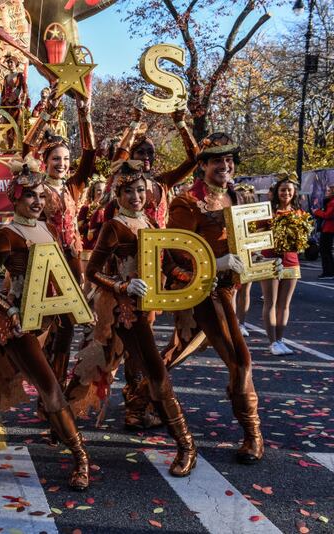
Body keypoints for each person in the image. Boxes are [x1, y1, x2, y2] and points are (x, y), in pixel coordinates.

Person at [0, 156, 90, 491]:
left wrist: (78, 306)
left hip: (42, 321)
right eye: (30, 195)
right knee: (49, 387)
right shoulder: (6, 234)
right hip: (13, 325)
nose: (37, 201)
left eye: (41, 196)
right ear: (14, 197)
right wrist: (10, 310)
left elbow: (56, 280)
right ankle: (81, 458)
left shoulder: (47, 228)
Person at [65, 160, 196, 478]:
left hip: (139, 314)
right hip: (119, 312)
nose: (136, 196)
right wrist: (122, 285)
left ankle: (185, 445)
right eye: (129, 191)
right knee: (91, 367)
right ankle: (63, 427)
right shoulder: (114, 226)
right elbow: (94, 271)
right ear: (118, 194)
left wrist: (192, 276)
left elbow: (164, 265)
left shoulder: (150, 222)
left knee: (151, 371)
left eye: (140, 190)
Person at [162, 133, 281, 465]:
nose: (225, 166)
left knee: (180, 348)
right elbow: (174, 253)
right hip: (205, 290)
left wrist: (268, 255)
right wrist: (215, 263)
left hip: (231, 289)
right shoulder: (186, 202)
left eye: (229, 160)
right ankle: (254, 436)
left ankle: (142, 395)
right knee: (240, 359)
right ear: (202, 166)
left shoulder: (237, 196)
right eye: (217, 160)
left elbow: (251, 238)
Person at [108, 100, 200, 430]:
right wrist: (133, 127)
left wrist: (181, 122)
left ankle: (145, 396)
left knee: (190, 332)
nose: (145, 158)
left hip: (162, 269)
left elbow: (194, 159)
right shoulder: (121, 185)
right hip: (130, 273)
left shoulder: (161, 184)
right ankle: (136, 406)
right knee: (128, 345)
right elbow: (117, 161)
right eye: (139, 152)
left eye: (149, 154)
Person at [24, 92, 96, 397]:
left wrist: (85, 114)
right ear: (46, 161)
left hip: (71, 263)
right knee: (41, 329)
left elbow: (90, 156)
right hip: (44, 264)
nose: (63, 164)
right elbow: (25, 150)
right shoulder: (36, 187)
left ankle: (54, 391)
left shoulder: (74, 187)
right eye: (56, 159)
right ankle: (44, 384)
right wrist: (46, 113)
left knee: (66, 329)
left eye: (66, 160)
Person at [261, 172, 310, 355]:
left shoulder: (300, 214)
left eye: (289, 190)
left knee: (285, 305)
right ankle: (272, 342)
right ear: (276, 192)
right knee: (270, 303)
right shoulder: (268, 212)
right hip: (270, 259)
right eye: (283, 190)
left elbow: (303, 240)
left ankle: (280, 340)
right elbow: (256, 233)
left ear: (294, 193)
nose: (286, 193)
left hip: (291, 261)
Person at [233, 182, 258, 337]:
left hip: (248, 253)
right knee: (235, 290)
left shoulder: (255, 217)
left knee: (243, 290)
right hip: (234, 254)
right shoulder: (230, 213)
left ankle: (240, 323)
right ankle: (235, 323)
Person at [314, 184, 334, 279]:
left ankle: (328, 272)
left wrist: (316, 211)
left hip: (328, 229)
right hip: (328, 228)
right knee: (326, 251)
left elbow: (327, 215)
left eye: (329, 191)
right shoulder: (330, 202)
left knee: (325, 250)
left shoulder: (332, 202)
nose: (327, 192)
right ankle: (329, 271)